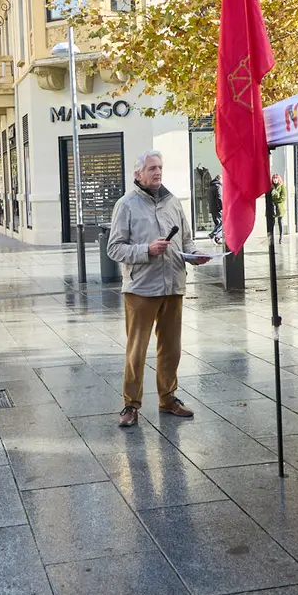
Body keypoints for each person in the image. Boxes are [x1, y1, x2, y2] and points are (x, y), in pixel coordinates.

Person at [107, 151, 211, 427]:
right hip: (141, 288)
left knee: (172, 348)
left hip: (173, 284)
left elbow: (187, 241)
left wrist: (195, 254)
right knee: (137, 350)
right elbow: (114, 248)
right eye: (152, 168)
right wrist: (146, 250)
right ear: (138, 174)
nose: (158, 172)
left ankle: (168, 399)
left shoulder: (173, 202)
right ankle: (130, 405)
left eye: (160, 167)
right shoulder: (126, 205)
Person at [270, 174, 287, 244]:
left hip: (280, 207)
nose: (275, 179)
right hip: (273, 207)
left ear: (279, 179)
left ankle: (281, 238)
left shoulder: (282, 187)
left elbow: (283, 198)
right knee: (272, 223)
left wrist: (276, 194)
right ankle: (272, 238)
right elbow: (269, 198)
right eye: (274, 178)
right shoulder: (271, 187)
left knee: (280, 222)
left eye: (276, 178)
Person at [207, 175, 223, 244]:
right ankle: (212, 234)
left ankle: (217, 238)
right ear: (220, 179)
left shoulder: (210, 187)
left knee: (218, 223)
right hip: (217, 208)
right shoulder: (218, 186)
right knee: (223, 223)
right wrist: (221, 208)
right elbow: (219, 198)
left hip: (212, 208)